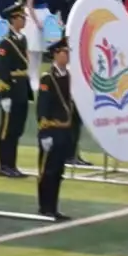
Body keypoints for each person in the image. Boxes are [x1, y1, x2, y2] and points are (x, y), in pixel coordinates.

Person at [37, 39, 76, 222]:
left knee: (58, 171)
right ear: (55, 54)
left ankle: (54, 207)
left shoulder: (67, 75)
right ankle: (45, 207)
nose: (66, 55)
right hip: (51, 130)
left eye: (67, 52)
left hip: (64, 131)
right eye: (63, 52)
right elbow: (42, 107)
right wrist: (44, 133)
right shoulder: (48, 77)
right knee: (48, 171)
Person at [0, 4, 31, 178]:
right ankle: (4, 165)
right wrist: (5, 94)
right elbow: (2, 70)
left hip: (21, 88)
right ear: (14, 19)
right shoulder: (5, 43)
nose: (24, 20)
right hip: (11, 89)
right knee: (7, 130)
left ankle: (12, 164)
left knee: (16, 129)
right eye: (21, 17)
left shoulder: (22, 40)